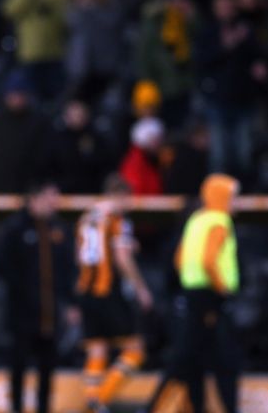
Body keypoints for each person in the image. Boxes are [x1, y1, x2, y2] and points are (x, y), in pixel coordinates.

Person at [146, 174, 242, 413]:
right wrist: (223, 288)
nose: (236, 202)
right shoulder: (220, 221)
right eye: (233, 196)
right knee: (219, 359)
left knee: (189, 357)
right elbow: (210, 260)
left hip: (190, 295)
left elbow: (179, 258)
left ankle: (189, 406)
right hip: (211, 297)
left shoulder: (196, 219)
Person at [0, 183, 78, 413]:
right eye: (49, 198)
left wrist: (70, 303)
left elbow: (68, 270)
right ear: (34, 198)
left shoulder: (60, 230)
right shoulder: (15, 229)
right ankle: (16, 408)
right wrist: (24, 294)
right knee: (18, 366)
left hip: (50, 314)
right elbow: (2, 267)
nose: (54, 204)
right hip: (21, 313)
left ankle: (43, 408)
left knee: (47, 367)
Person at [75, 174, 153, 413]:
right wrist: (141, 288)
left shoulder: (86, 217)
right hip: (108, 291)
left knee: (97, 349)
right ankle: (99, 398)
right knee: (135, 350)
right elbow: (121, 256)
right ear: (120, 195)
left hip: (86, 291)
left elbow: (80, 255)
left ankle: (93, 401)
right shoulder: (117, 218)